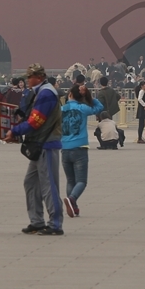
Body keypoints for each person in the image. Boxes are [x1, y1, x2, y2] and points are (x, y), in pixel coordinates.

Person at [9, 64, 64, 235]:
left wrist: (15, 131)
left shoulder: (46, 93)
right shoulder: (40, 92)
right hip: (39, 144)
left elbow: (36, 121)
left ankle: (55, 224)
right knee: (31, 182)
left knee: (48, 185)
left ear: (38, 77)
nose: (27, 80)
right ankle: (37, 221)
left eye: (29, 77)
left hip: (46, 143)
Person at [59, 80, 104, 216]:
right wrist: (89, 96)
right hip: (79, 147)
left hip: (65, 148)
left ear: (70, 94)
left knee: (70, 180)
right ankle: (72, 199)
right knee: (82, 181)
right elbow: (99, 107)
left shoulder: (61, 110)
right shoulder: (83, 108)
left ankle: (73, 207)